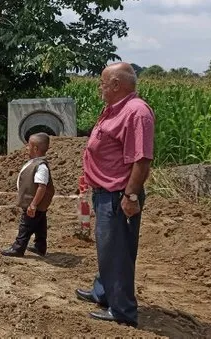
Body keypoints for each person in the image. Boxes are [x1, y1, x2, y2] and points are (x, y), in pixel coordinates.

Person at [74, 62, 155, 328]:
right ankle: (103, 292)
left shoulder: (136, 113)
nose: (100, 88)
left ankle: (122, 310)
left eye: (103, 83)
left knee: (117, 251)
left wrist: (130, 196)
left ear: (117, 85)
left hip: (119, 195)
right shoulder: (115, 109)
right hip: (105, 192)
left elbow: (141, 160)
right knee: (108, 249)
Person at [1, 132, 55, 257]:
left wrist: (33, 204)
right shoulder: (35, 163)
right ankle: (40, 246)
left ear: (35, 148)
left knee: (25, 225)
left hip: (33, 203)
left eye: (28, 145)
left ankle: (18, 248)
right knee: (40, 224)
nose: (26, 147)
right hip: (35, 204)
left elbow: (42, 187)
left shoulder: (41, 166)